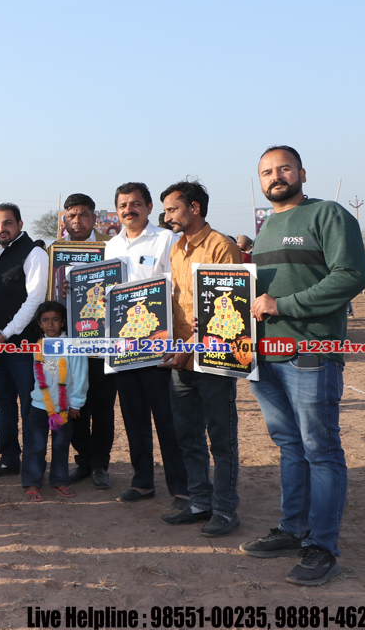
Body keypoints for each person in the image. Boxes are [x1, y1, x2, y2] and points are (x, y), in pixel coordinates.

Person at [241, 145, 365, 586]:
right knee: (290, 446)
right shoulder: (267, 227)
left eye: (284, 169)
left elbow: (351, 275)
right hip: (265, 356)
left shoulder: (328, 214)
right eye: (267, 172)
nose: (275, 177)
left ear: (302, 173)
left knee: (321, 450)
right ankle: (293, 529)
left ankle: (323, 547)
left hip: (310, 351)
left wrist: (284, 305)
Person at [158, 181, 242, 537]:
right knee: (187, 436)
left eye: (172, 209)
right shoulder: (176, 248)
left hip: (214, 359)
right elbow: (174, 304)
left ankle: (225, 509)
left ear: (194, 208)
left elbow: (227, 308)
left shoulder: (222, 247)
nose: (167, 217)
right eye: (165, 210)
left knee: (221, 439)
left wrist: (187, 347)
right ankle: (199, 502)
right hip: (181, 360)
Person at [104, 182, 189, 506]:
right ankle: (142, 482)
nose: (129, 210)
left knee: (168, 419)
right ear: (116, 210)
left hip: (158, 346)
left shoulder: (166, 239)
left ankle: (180, 487)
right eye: (123, 205)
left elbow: (179, 289)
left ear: (149, 207)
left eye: (136, 203)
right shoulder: (111, 246)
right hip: (123, 349)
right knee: (133, 417)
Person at [0, 203, 49, 480]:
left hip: (22, 346)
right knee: (3, 403)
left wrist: (5, 334)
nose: (1, 229)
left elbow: (34, 300)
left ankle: (33, 465)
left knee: (31, 406)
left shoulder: (34, 253)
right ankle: (9, 459)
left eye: (7, 223)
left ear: (19, 224)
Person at [60, 193, 116, 491]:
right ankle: (82, 460)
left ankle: (100, 464)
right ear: (65, 219)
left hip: (104, 341)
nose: (77, 220)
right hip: (71, 342)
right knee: (75, 403)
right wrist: (59, 287)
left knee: (103, 406)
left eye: (83, 214)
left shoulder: (111, 248)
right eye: (72, 215)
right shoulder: (56, 252)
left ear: (94, 218)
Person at [22, 301, 87, 502]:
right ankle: (32, 482)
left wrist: (76, 403)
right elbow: (37, 375)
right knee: (35, 445)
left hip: (63, 408)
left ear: (63, 322)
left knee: (60, 445)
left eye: (55, 320)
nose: (50, 325)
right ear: (39, 323)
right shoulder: (38, 346)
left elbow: (80, 375)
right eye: (45, 320)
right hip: (39, 405)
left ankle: (59, 480)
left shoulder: (72, 346)